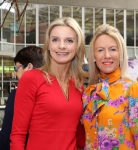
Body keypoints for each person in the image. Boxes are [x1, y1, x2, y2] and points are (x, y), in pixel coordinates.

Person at [10, 17, 86, 150]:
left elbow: (80, 136)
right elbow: (18, 135)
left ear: (77, 46)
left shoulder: (78, 85)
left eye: (69, 40)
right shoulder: (31, 78)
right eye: (55, 40)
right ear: (48, 45)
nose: (61, 46)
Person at [82, 24, 138, 150]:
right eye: (100, 50)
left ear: (121, 53)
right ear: (94, 56)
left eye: (113, 49)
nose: (107, 55)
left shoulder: (133, 90)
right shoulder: (88, 93)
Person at [0, 46, 44, 150]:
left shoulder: (18, 94)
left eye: (17, 68)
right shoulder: (55, 94)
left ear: (29, 67)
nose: (15, 74)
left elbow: (6, 138)